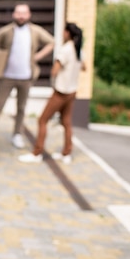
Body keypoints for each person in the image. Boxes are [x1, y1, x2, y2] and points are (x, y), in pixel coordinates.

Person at [0, 2, 54, 149]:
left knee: (21, 107)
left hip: (26, 76)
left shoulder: (35, 31)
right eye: (18, 13)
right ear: (14, 14)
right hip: (7, 76)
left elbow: (51, 42)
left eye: (24, 13)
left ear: (29, 15)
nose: (21, 16)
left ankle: (17, 135)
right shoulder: (7, 31)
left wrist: (38, 56)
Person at [18, 22, 85, 164]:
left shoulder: (66, 49)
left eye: (63, 31)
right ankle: (67, 153)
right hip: (72, 91)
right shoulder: (79, 49)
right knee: (66, 122)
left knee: (42, 120)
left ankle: (37, 152)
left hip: (61, 92)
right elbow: (84, 67)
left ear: (68, 33)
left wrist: (54, 77)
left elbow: (55, 69)